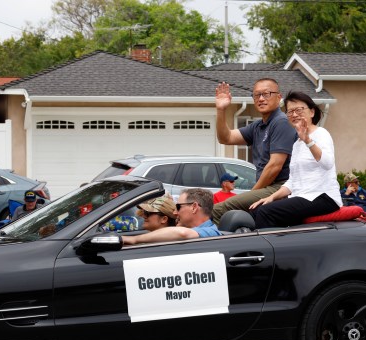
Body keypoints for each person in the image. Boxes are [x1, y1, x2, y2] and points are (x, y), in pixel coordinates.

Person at [249, 91, 341, 228]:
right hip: (302, 197)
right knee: (256, 209)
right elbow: (293, 181)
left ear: (312, 112)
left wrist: (308, 141)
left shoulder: (321, 134)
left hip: (323, 197)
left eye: (299, 110)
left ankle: (268, 248)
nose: (294, 114)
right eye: (290, 112)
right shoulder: (297, 143)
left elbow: (328, 164)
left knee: (266, 212)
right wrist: (272, 197)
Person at [212, 79, 297, 224]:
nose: (261, 99)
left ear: (279, 97)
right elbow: (225, 138)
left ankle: (217, 245)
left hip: (280, 186)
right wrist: (221, 110)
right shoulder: (258, 126)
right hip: (267, 187)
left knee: (219, 210)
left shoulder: (281, 122)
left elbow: (274, 166)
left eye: (267, 94)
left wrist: (252, 194)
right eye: (257, 95)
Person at [122, 188, 220, 245]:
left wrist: (133, 240)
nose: (175, 212)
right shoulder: (190, 231)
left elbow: (183, 234)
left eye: (178, 207)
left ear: (194, 207)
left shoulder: (211, 232)